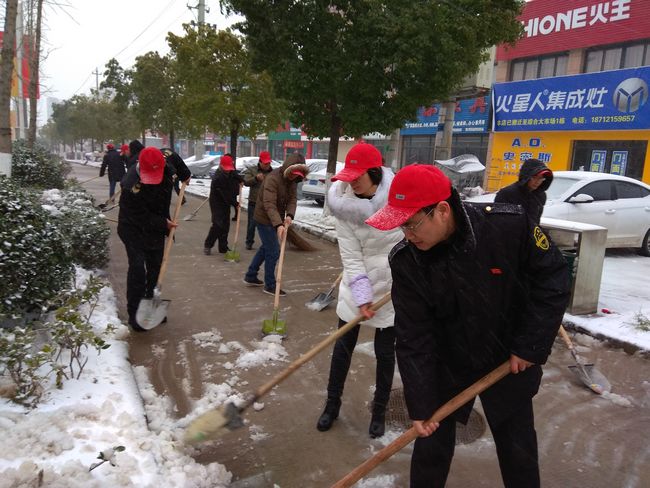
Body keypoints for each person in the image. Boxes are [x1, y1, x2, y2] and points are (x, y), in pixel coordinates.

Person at [365, 164, 570, 487]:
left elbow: (554, 278)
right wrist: (420, 403)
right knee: (430, 449)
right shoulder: (408, 261)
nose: (408, 234)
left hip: (510, 357)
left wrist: (530, 343)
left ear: (442, 211)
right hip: (449, 362)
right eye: (401, 226)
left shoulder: (507, 227)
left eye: (412, 224)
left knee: (518, 451)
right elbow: (413, 335)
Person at [316, 142, 402, 438]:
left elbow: (409, 243)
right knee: (342, 349)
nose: (351, 182)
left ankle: (379, 411)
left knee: (385, 354)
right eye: (349, 175)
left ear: (375, 173)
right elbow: (351, 257)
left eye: (358, 176)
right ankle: (331, 405)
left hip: (394, 285)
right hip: (358, 283)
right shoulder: (344, 207)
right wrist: (363, 297)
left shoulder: (398, 200)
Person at [117, 146, 179, 332]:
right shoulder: (130, 185)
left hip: (156, 228)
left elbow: (180, 167)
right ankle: (134, 313)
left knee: (155, 268)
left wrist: (186, 176)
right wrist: (163, 223)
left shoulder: (168, 170)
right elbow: (138, 216)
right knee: (137, 269)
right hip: (133, 228)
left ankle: (151, 306)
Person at [243, 153, 308, 295]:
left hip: (275, 218)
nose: (293, 177)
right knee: (273, 251)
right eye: (292, 174)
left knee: (266, 248)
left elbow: (292, 199)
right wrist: (278, 224)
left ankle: (251, 275)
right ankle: (270, 285)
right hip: (264, 217)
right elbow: (269, 204)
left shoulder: (292, 181)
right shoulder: (273, 179)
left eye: (297, 175)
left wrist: (290, 215)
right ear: (287, 169)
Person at [495, 158, 553, 224]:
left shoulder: (541, 195)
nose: (537, 181)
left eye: (541, 178)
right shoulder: (507, 194)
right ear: (526, 176)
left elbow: (536, 221)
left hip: (529, 233)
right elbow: (498, 221)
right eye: (534, 177)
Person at [204, 154, 242, 255]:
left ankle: (223, 247)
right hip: (217, 202)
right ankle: (208, 244)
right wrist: (235, 203)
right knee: (217, 224)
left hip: (226, 202)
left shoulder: (231, 172)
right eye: (226, 169)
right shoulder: (218, 178)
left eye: (229, 168)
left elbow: (236, 176)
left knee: (225, 225)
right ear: (221, 166)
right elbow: (224, 194)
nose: (228, 170)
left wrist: (241, 180)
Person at [242, 151, 273, 250]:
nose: (267, 165)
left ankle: (269, 243)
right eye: (265, 163)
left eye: (268, 163)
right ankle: (249, 242)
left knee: (268, 224)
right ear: (260, 162)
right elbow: (246, 182)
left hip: (268, 203)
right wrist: (255, 179)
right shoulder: (252, 170)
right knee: (252, 224)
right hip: (254, 202)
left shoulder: (272, 173)